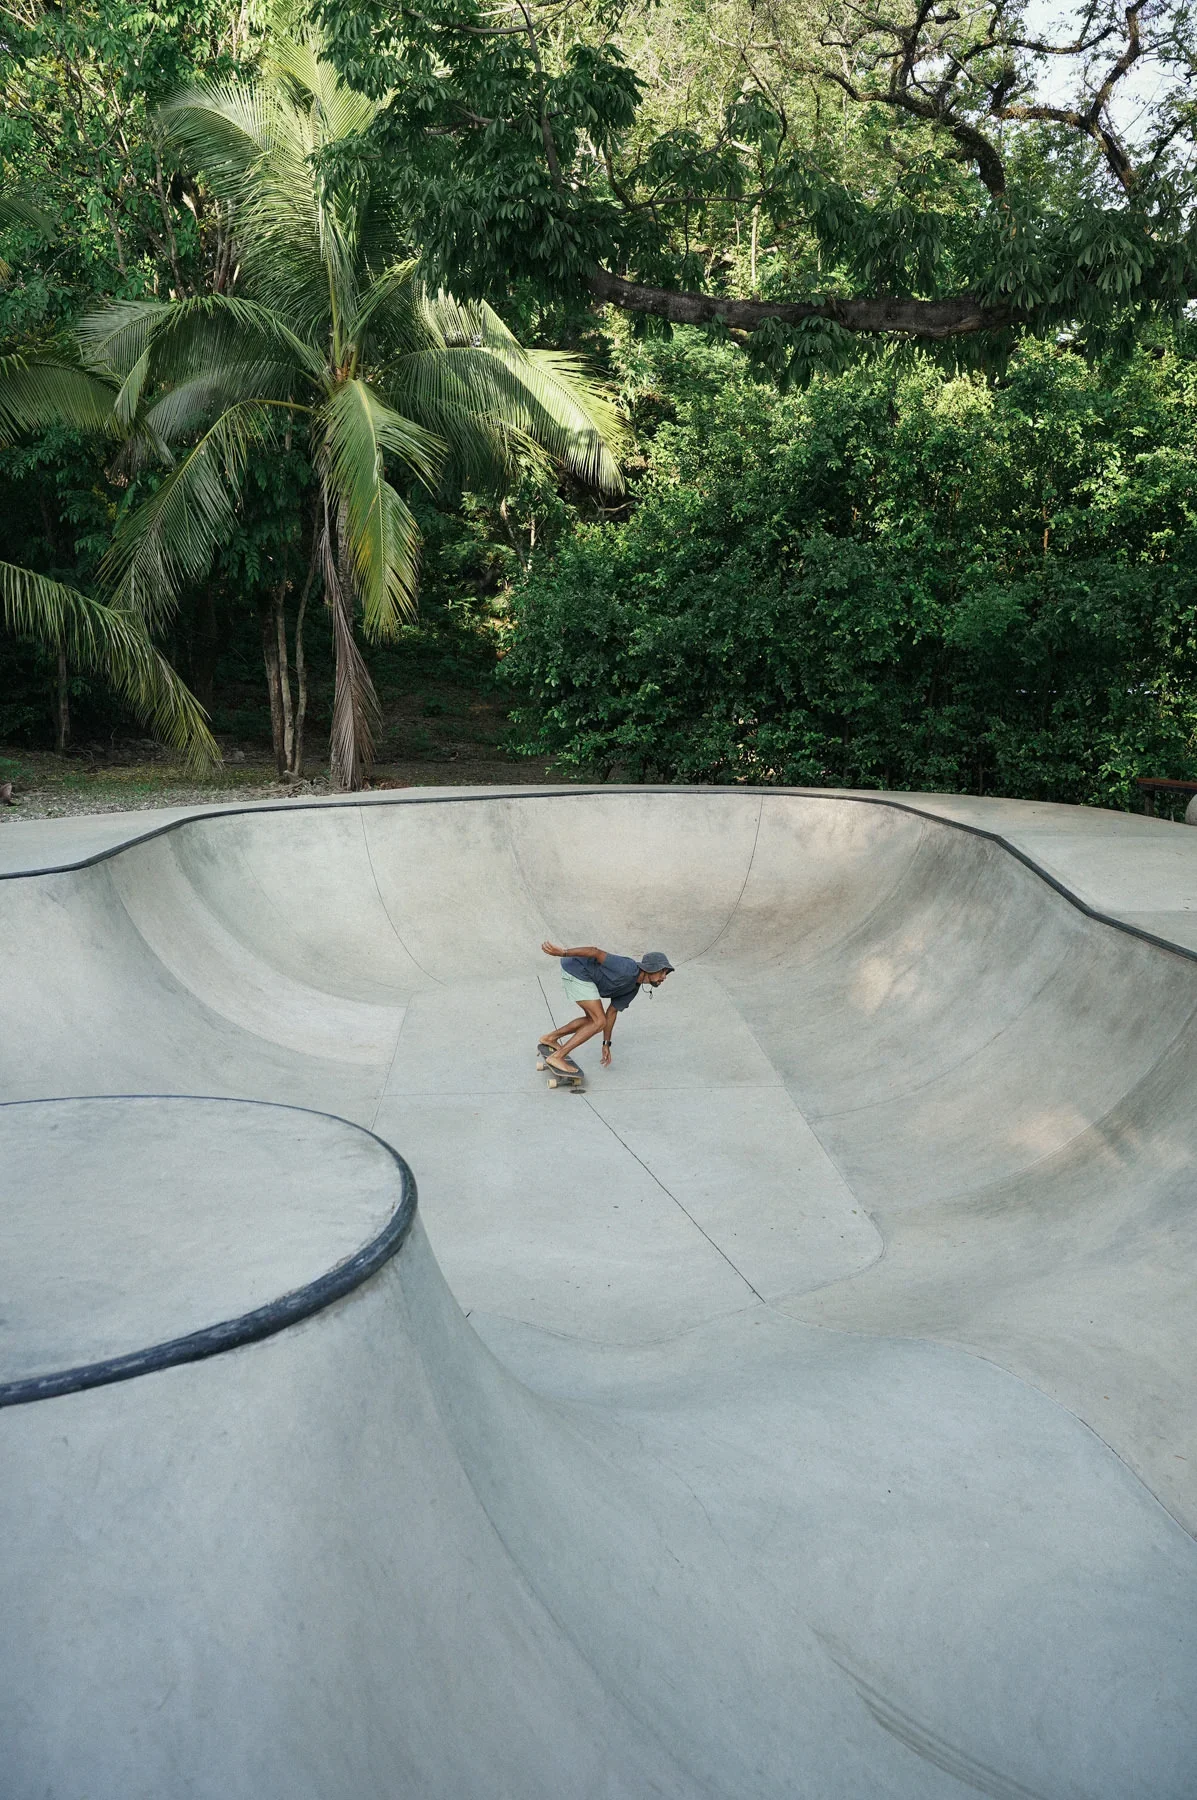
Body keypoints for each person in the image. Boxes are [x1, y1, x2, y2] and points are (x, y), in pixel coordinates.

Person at [537, 942, 674, 1076]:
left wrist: (606, 1043)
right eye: (662, 972)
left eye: (666, 973)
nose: (664, 977)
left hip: (584, 975)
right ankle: (557, 1057)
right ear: (650, 968)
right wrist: (563, 952)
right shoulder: (628, 968)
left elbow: (612, 1012)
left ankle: (550, 1038)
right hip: (577, 968)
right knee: (599, 1021)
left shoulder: (633, 988)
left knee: (593, 1020)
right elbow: (595, 952)